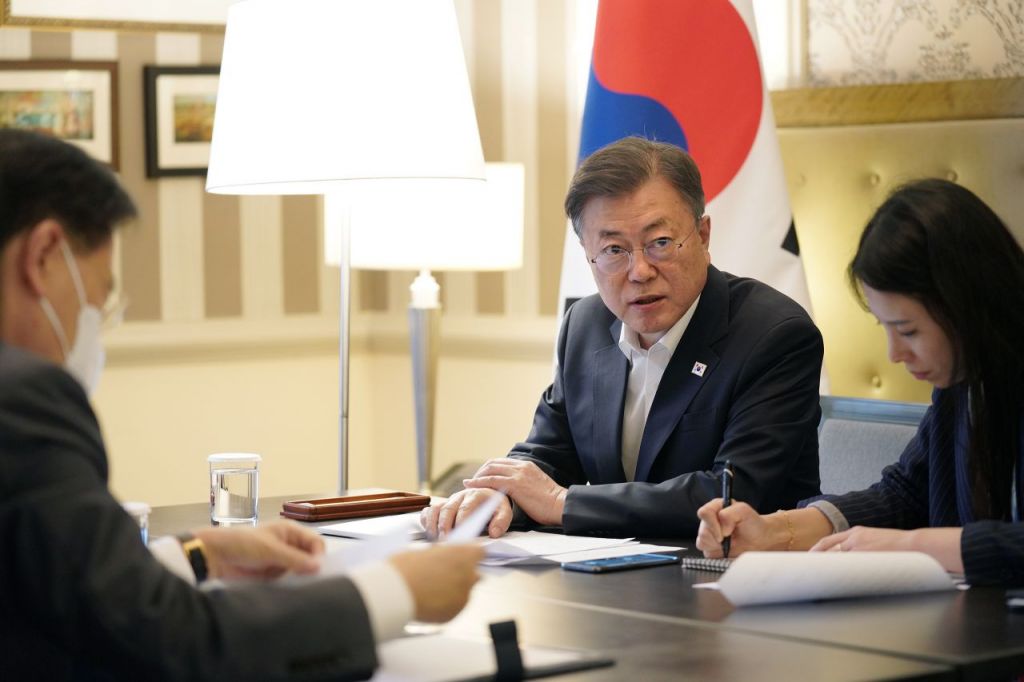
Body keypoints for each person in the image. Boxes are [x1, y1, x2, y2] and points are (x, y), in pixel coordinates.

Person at [0, 129, 483, 680]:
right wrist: (393, 591)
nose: (91, 322)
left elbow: (60, 591)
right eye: (96, 297)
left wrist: (199, 554)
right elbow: (169, 642)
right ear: (43, 256)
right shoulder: (25, 401)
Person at [422, 136, 824, 539]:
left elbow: (732, 494)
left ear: (703, 235)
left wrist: (562, 503)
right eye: (614, 249)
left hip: (737, 568)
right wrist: (500, 496)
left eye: (660, 243)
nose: (640, 271)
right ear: (588, 254)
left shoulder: (774, 336)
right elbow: (550, 453)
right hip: (611, 569)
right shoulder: (586, 325)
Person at [695, 178, 1024, 586]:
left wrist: (913, 545)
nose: (895, 353)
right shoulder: (963, 385)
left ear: (969, 305)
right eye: (885, 327)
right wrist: (775, 532)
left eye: (908, 331)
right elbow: (904, 494)